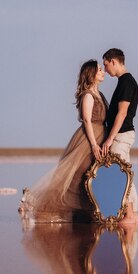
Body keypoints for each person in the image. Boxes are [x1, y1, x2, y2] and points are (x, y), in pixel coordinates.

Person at [22, 59, 108, 223]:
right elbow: (87, 120)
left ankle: (90, 210)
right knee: (80, 172)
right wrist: (94, 144)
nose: (102, 71)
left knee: (93, 173)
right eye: (99, 70)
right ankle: (65, 208)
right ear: (91, 74)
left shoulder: (99, 94)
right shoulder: (88, 95)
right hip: (90, 138)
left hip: (100, 134)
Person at [101, 48, 138, 224]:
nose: (105, 69)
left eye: (106, 64)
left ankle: (130, 215)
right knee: (125, 173)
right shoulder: (124, 81)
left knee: (122, 174)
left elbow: (122, 113)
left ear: (114, 62)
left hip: (122, 135)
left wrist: (110, 138)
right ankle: (131, 213)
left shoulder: (126, 82)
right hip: (122, 134)